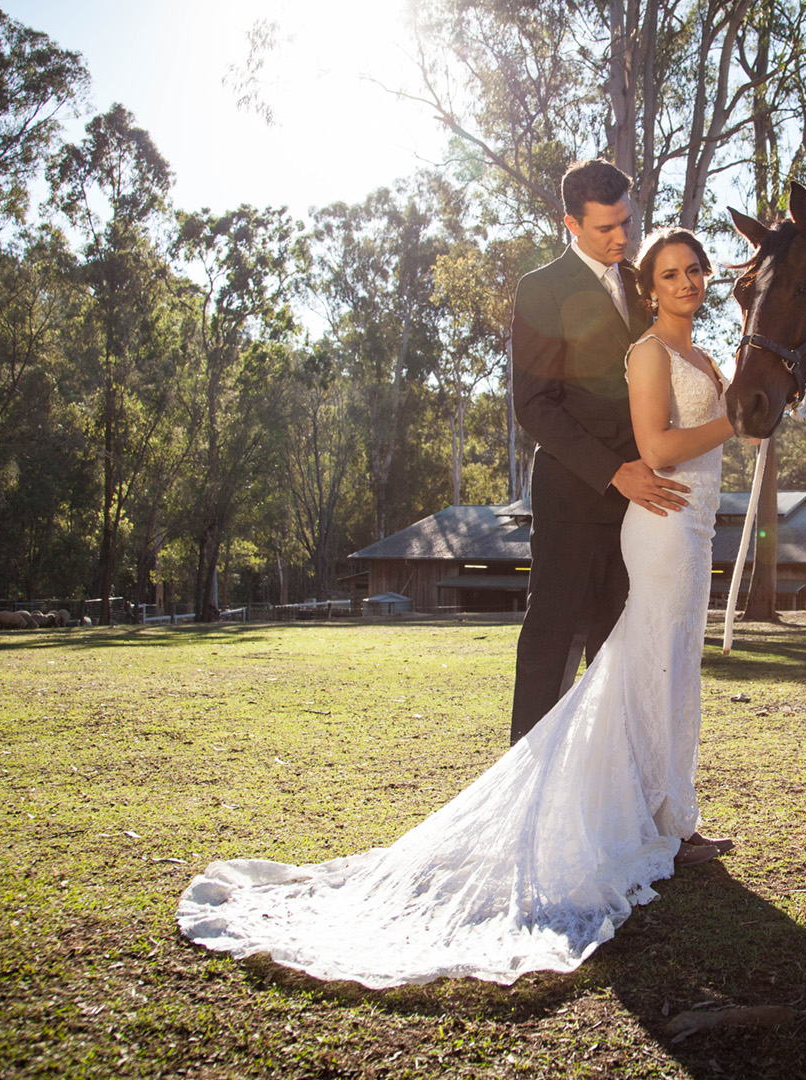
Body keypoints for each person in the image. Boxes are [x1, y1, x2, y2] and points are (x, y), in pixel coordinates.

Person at [174, 226, 737, 990]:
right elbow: (551, 409)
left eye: (691, 268)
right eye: (663, 268)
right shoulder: (580, 307)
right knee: (584, 650)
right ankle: (557, 807)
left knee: (658, 667)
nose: (679, 277)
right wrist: (693, 440)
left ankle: (659, 814)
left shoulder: (690, 346)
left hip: (681, 521)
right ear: (578, 225)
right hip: (615, 501)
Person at [508, 160, 688, 746]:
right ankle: (529, 805)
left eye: (627, 224)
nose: (622, 239)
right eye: (607, 228)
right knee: (552, 643)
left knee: (622, 654)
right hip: (573, 499)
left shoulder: (640, 284)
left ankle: (620, 808)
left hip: (643, 511)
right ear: (570, 223)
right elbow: (535, 405)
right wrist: (614, 472)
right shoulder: (541, 289)